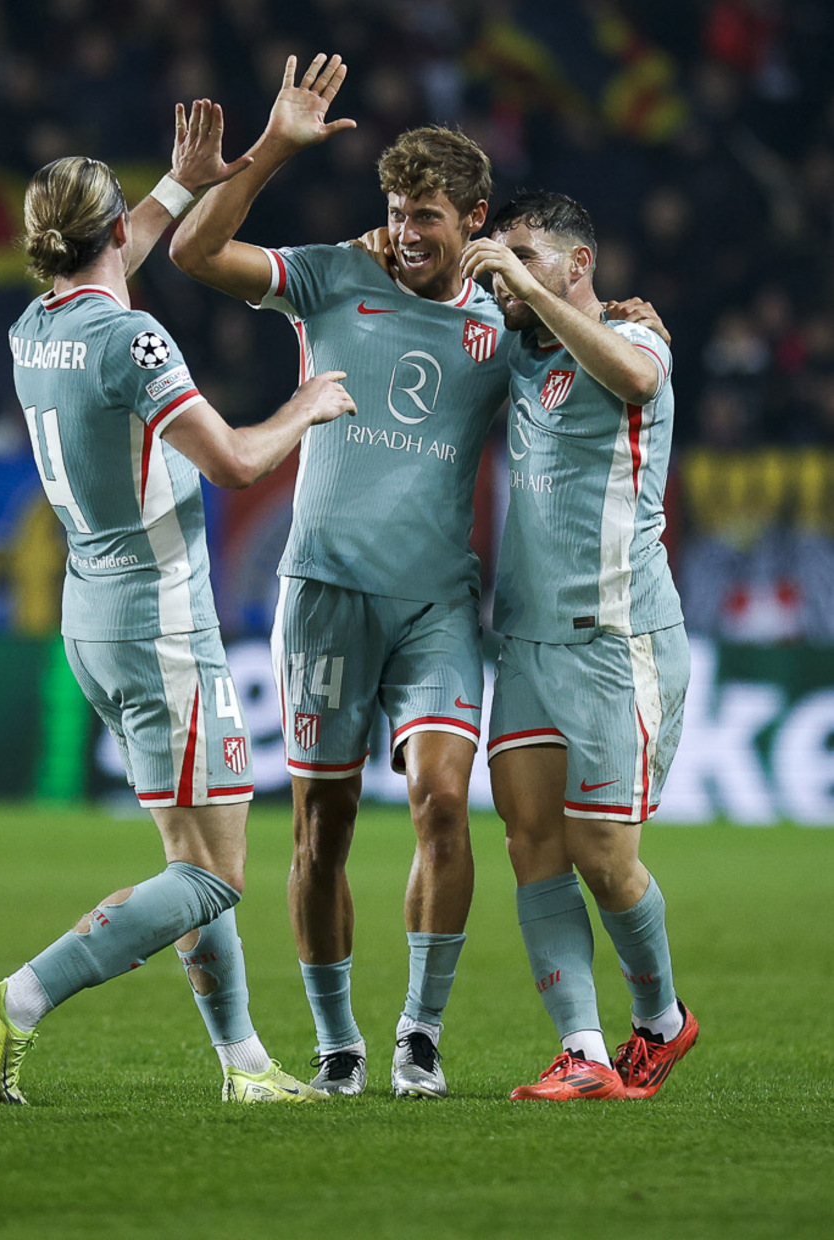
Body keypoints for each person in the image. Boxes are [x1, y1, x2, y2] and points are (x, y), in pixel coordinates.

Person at [0, 98, 357, 1106]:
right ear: (112, 225)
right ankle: (20, 997)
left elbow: (112, 251)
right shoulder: (131, 342)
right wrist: (308, 404)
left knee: (188, 857)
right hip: (163, 627)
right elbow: (231, 462)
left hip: (94, 619)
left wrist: (229, 165)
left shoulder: (31, 325)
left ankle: (245, 1065)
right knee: (215, 875)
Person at [170, 55, 516, 1098]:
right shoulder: (332, 273)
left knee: (445, 806)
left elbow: (593, 373)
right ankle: (338, 1041)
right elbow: (194, 251)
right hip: (322, 593)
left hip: (437, 603)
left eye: (430, 218)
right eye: (399, 212)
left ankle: (418, 1030)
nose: (409, 233)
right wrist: (274, 145)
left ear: (476, 219)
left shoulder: (505, 321)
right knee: (322, 828)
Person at [460, 191, 698, 1101]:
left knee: (605, 857)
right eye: (505, 255)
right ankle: (585, 1051)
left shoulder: (642, 344)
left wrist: (526, 284)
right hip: (525, 638)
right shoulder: (523, 350)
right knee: (531, 841)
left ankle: (662, 1022)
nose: (509, 271)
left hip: (616, 640)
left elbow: (637, 385)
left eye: (527, 254)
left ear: (578, 264)